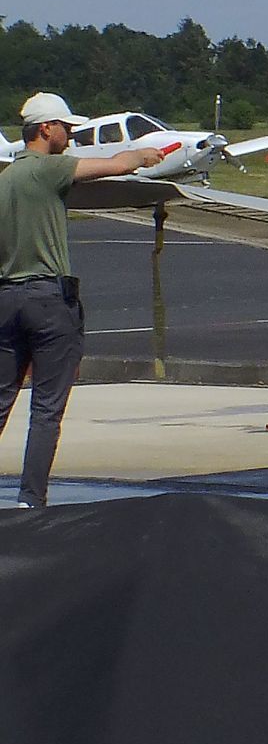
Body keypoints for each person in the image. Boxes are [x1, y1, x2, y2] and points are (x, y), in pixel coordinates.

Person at [0, 93, 164, 508]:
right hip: (48, 301)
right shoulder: (48, 168)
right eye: (64, 126)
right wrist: (144, 154)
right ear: (44, 130)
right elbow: (115, 165)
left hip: (6, 299)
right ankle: (30, 499)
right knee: (47, 408)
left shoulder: (4, 180)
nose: (70, 133)